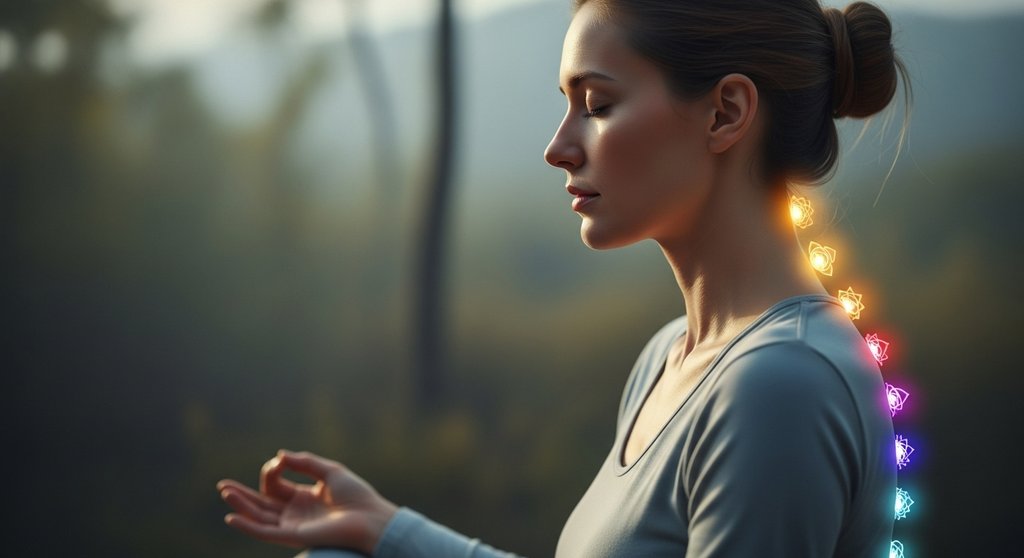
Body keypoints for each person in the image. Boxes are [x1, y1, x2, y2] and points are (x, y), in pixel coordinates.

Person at [217, 0, 909, 556]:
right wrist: (388, 530)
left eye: (598, 105)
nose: (558, 147)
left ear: (726, 112)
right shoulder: (669, 358)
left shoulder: (779, 387)